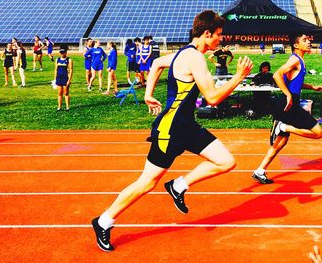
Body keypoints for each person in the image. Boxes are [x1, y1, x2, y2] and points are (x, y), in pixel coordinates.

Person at [91, 9, 253, 252]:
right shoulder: (195, 58)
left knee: (226, 161)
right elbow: (212, 98)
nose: (221, 39)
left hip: (187, 126)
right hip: (171, 130)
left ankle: (178, 186)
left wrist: (148, 94)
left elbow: (156, 63)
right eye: (219, 35)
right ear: (207, 33)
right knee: (147, 182)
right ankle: (104, 221)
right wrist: (239, 76)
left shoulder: (185, 53)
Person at [252, 33, 322, 184]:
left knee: (280, 142)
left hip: (288, 104)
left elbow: (293, 82)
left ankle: (260, 170)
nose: (309, 41)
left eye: (308, 39)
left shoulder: (299, 60)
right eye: (305, 40)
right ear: (296, 45)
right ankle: (285, 127)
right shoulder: (295, 59)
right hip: (288, 104)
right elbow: (277, 75)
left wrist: (312, 87)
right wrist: (288, 95)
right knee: (318, 133)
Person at [54, 45, 73, 111]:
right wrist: (55, 79)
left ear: (66, 52)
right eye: (61, 52)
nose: (62, 54)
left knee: (66, 93)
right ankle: (59, 107)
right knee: (59, 93)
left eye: (63, 52)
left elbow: (71, 70)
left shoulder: (69, 60)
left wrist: (69, 80)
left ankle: (67, 107)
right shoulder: (57, 59)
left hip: (65, 78)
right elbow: (56, 70)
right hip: (59, 78)